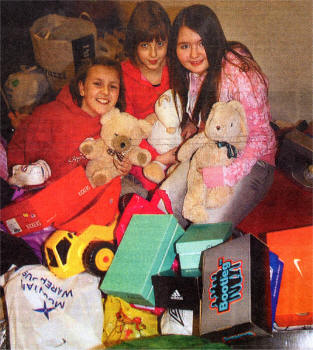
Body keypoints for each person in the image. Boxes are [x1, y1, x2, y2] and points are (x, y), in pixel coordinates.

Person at [160, 4, 277, 230]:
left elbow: (260, 135)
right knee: (166, 200)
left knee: (206, 228)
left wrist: (228, 175)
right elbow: (205, 107)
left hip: (254, 159)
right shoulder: (187, 72)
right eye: (185, 46)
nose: (193, 54)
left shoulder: (240, 73)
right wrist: (194, 125)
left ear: (214, 40)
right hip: (212, 152)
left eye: (202, 43)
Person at [7, 57, 146, 197]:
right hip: (50, 194)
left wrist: (122, 167)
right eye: (98, 84)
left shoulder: (115, 122)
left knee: (137, 192)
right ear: (82, 88)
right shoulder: (51, 115)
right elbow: (24, 163)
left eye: (113, 86)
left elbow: (114, 157)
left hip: (92, 187)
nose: (105, 91)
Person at [121, 0, 177, 191]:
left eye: (160, 44)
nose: (153, 54)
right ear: (133, 44)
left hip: (174, 143)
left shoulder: (174, 68)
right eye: (145, 45)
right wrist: (155, 156)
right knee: (153, 183)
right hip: (141, 149)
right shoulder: (124, 76)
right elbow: (127, 129)